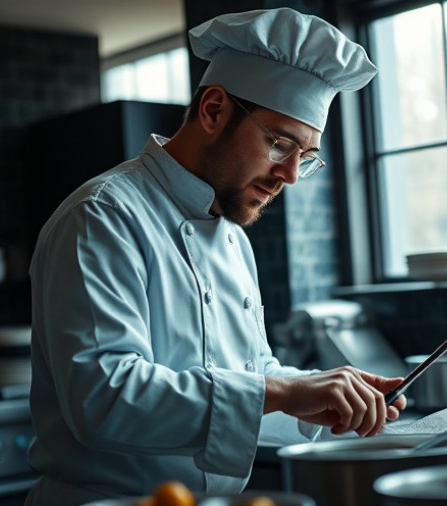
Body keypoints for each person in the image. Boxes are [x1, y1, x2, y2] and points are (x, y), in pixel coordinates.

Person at [23, 7, 407, 505]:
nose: (289, 175)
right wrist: (285, 395)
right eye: (279, 144)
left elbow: (254, 371)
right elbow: (105, 398)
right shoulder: (102, 217)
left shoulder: (231, 235)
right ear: (213, 110)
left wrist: (318, 395)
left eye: (306, 157)